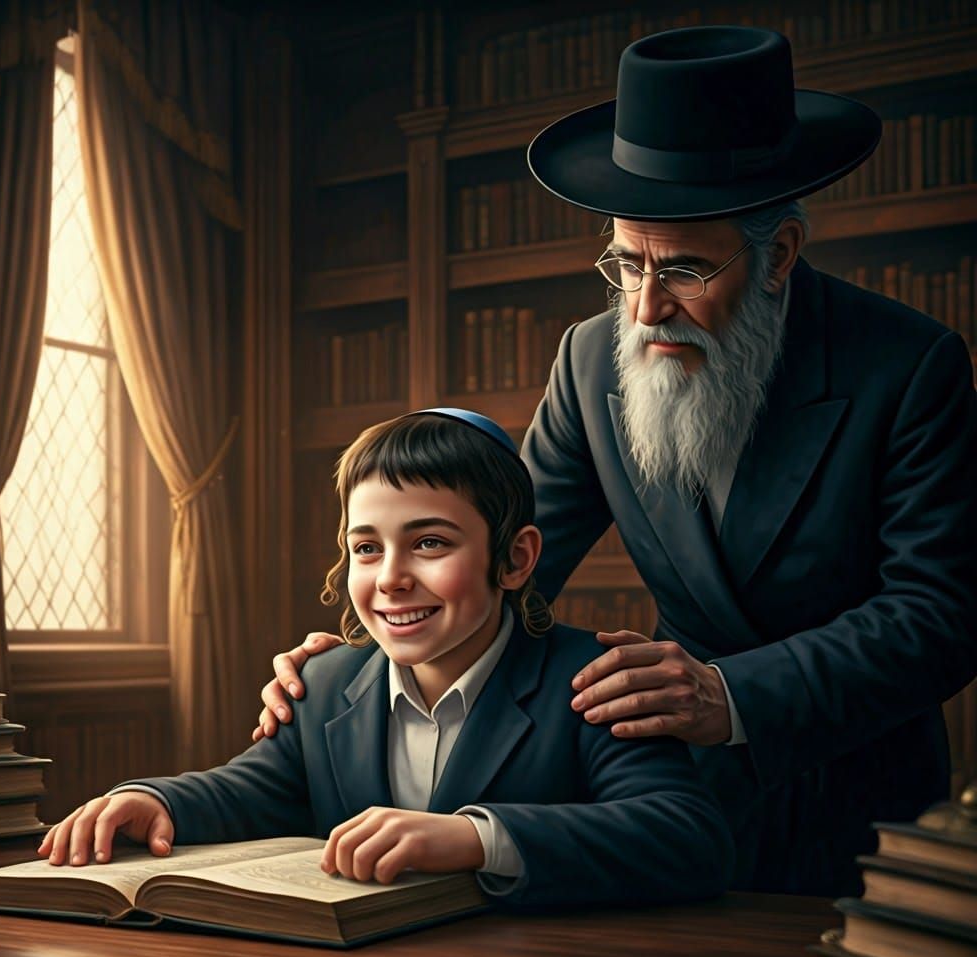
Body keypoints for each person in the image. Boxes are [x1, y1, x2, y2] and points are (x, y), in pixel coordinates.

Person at [257, 26, 977, 897]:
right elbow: (507, 558)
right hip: (664, 787)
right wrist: (358, 658)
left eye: (681, 268)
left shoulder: (908, 363)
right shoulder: (591, 356)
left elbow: (942, 614)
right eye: (625, 263)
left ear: (778, 255)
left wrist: (730, 694)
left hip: (852, 791)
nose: (644, 307)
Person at [38, 409, 733, 910]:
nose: (391, 578)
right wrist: (151, 798)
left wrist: (475, 839)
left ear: (515, 559)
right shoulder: (324, 679)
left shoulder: (591, 682)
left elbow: (688, 836)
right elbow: (252, 788)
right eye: (366, 549)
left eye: (430, 544)